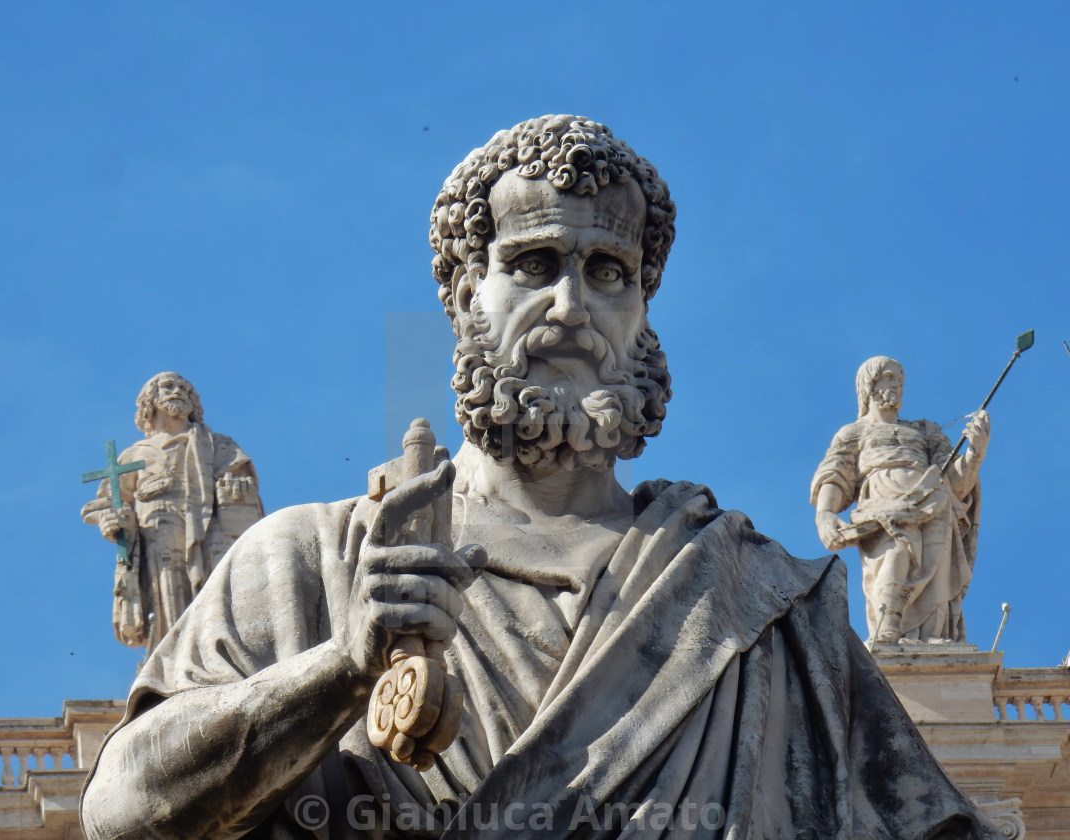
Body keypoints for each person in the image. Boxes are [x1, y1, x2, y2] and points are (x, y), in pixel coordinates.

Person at [81, 117, 993, 839]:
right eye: (533, 264)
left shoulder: (765, 612)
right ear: (462, 294)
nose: (572, 305)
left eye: (609, 272)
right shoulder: (310, 563)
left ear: (642, 312)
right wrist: (339, 671)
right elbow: (121, 811)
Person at [81, 371, 264, 652]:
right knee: (167, 593)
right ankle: (173, 657)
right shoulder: (135, 455)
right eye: (167, 386)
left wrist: (236, 486)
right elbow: (103, 503)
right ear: (149, 401)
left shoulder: (216, 444)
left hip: (207, 526)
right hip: (157, 529)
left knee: (215, 588)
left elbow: (241, 480)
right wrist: (113, 520)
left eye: (184, 388)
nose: (177, 391)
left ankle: (219, 652)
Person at [811, 356, 988, 644]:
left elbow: (956, 483)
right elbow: (835, 474)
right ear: (870, 383)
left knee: (936, 571)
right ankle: (887, 631)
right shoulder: (854, 432)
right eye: (890, 377)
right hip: (884, 506)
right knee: (894, 558)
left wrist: (975, 453)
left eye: (900, 380)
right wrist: (826, 514)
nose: (897, 386)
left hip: (934, 503)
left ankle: (932, 638)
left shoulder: (926, 431)